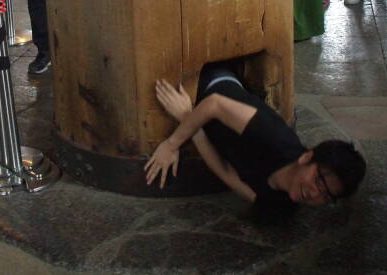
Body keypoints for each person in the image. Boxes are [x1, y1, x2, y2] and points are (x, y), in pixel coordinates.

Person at [145, 64, 366, 216]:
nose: (316, 193)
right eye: (319, 180)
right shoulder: (273, 135)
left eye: (327, 196)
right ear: (307, 157)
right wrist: (171, 144)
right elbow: (214, 104)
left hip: (202, 117)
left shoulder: (280, 205)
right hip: (213, 82)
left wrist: (187, 117)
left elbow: (226, 173)